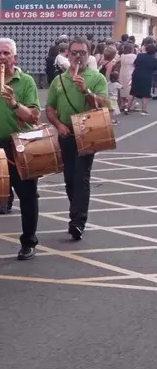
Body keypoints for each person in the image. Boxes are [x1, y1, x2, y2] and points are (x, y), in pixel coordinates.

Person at [0, 38, 42, 265]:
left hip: (20, 145)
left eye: (6, 53)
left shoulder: (26, 81)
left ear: (15, 57)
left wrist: (14, 103)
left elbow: (33, 117)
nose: (2, 57)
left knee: (28, 196)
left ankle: (28, 242)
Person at [45, 37, 108, 240]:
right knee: (69, 178)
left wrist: (86, 92)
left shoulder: (97, 78)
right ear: (68, 54)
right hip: (66, 132)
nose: (78, 57)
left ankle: (77, 221)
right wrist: (58, 125)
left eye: (82, 53)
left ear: (89, 55)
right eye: (74, 53)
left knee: (81, 177)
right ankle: (76, 210)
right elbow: (50, 108)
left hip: (88, 132)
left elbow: (104, 105)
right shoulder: (59, 80)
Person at [130, 43, 157, 115]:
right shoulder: (154, 60)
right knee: (145, 94)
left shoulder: (140, 55)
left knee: (133, 92)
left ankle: (127, 107)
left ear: (146, 49)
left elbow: (134, 64)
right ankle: (144, 110)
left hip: (136, 75)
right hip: (147, 77)